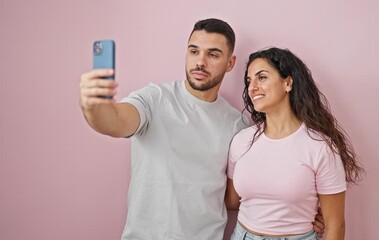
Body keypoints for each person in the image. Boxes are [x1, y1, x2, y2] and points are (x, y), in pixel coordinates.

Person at [80, 18, 324, 240]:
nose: (200, 61)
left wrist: (299, 214)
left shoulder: (238, 127)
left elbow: (243, 193)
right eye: (194, 51)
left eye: (213, 54)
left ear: (230, 64)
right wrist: (93, 106)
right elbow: (113, 122)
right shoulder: (155, 99)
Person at [225, 47, 364, 240]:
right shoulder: (242, 140)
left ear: (288, 82)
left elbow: (335, 227)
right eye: (249, 81)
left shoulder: (320, 147)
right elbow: (231, 202)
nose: (252, 87)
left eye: (262, 77)